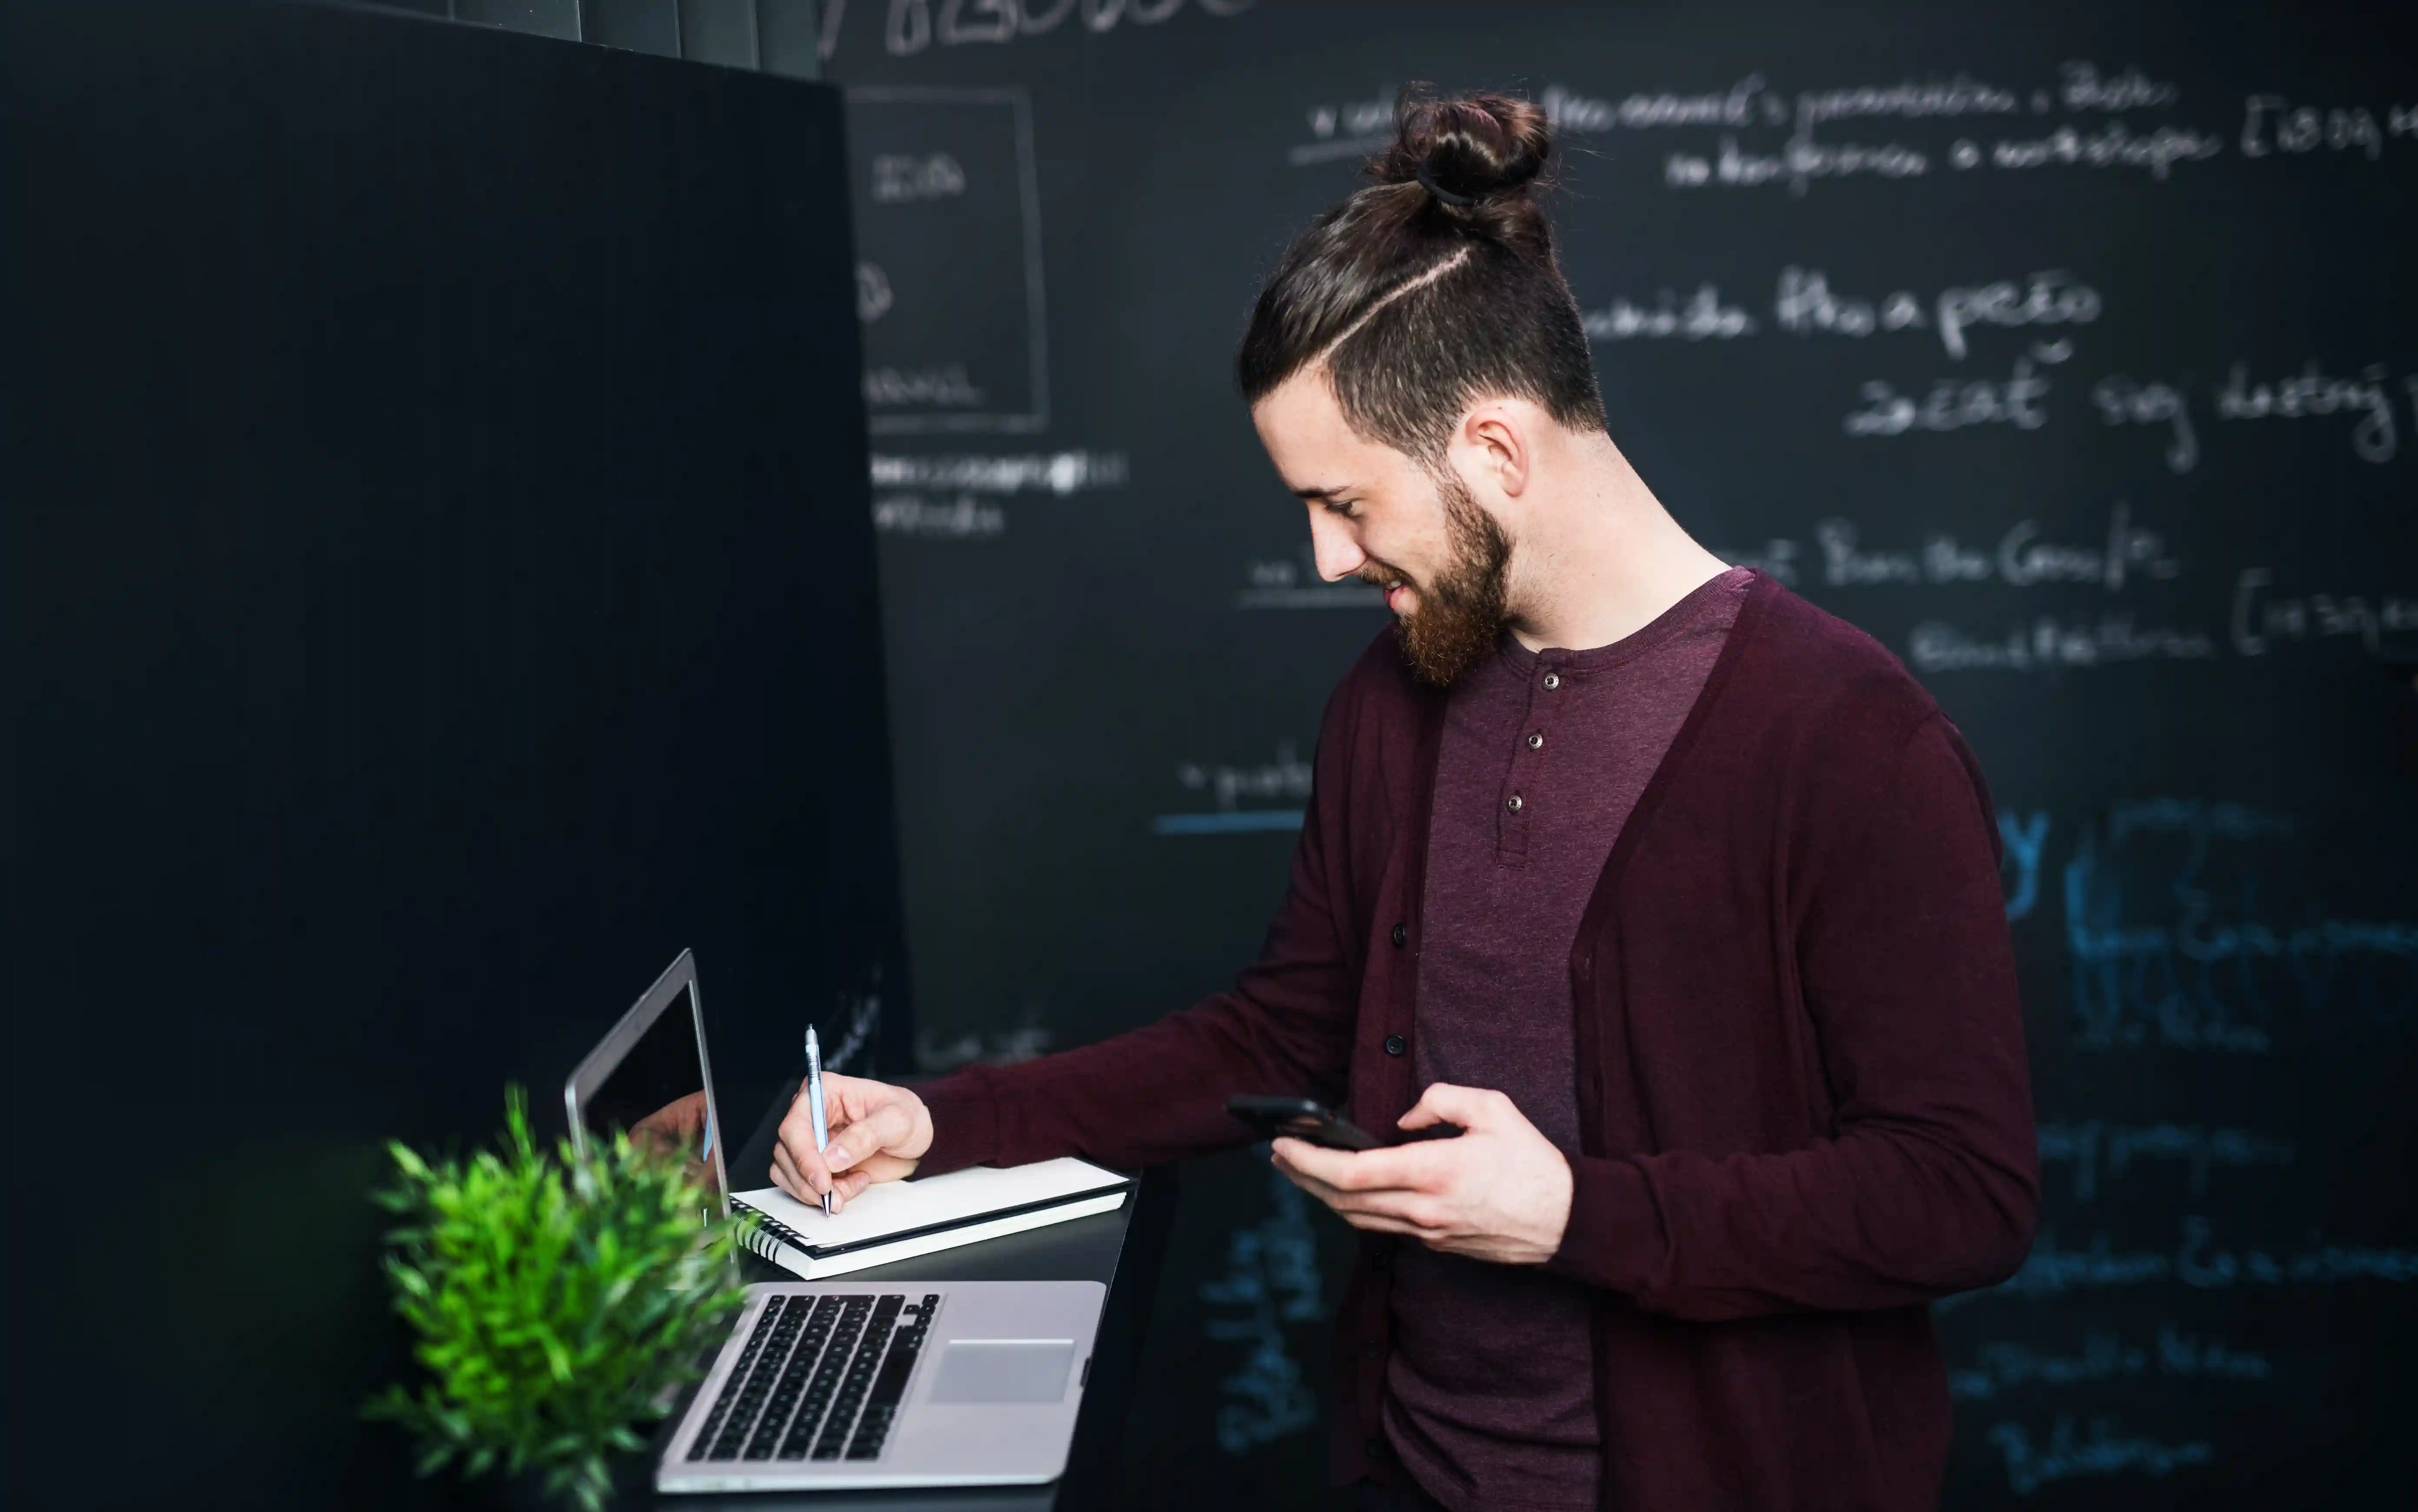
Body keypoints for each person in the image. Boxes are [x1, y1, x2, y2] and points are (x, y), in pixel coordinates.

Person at [768, 90, 2037, 1512]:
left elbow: (1961, 1193)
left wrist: (1571, 1215)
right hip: (1411, 1471)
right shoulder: (1393, 699)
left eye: (1349, 504)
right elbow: (1282, 1029)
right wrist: (946, 1127)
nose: (1322, 558)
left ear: (1494, 454)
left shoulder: (1852, 743)